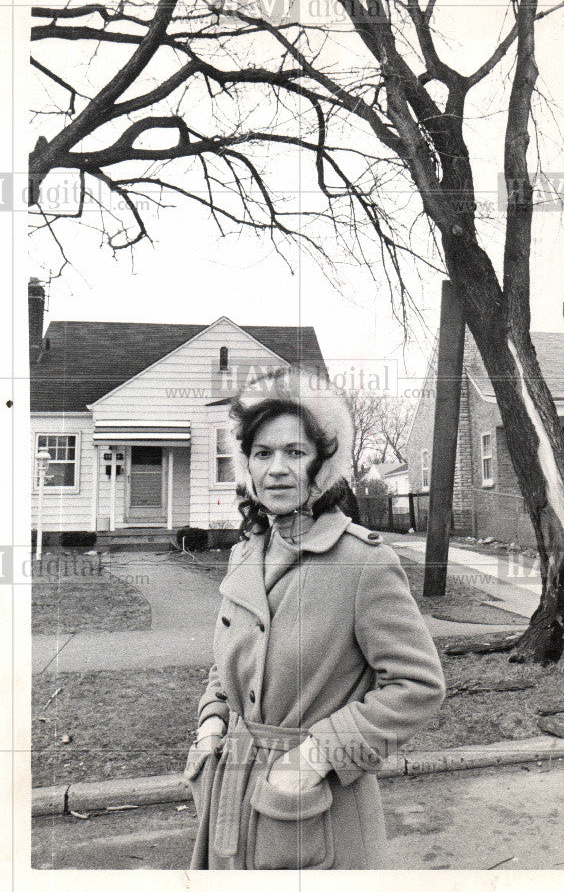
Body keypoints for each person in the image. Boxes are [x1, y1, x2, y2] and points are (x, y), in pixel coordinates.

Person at [186, 368, 446, 870]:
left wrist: (316, 757)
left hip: (316, 811)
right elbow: (226, 665)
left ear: (322, 466)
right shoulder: (244, 556)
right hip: (230, 795)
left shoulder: (363, 562)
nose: (277, 469)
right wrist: (211, 722)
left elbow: (417, 685)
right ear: (248, 466)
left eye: (295, 453)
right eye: (263, 454)